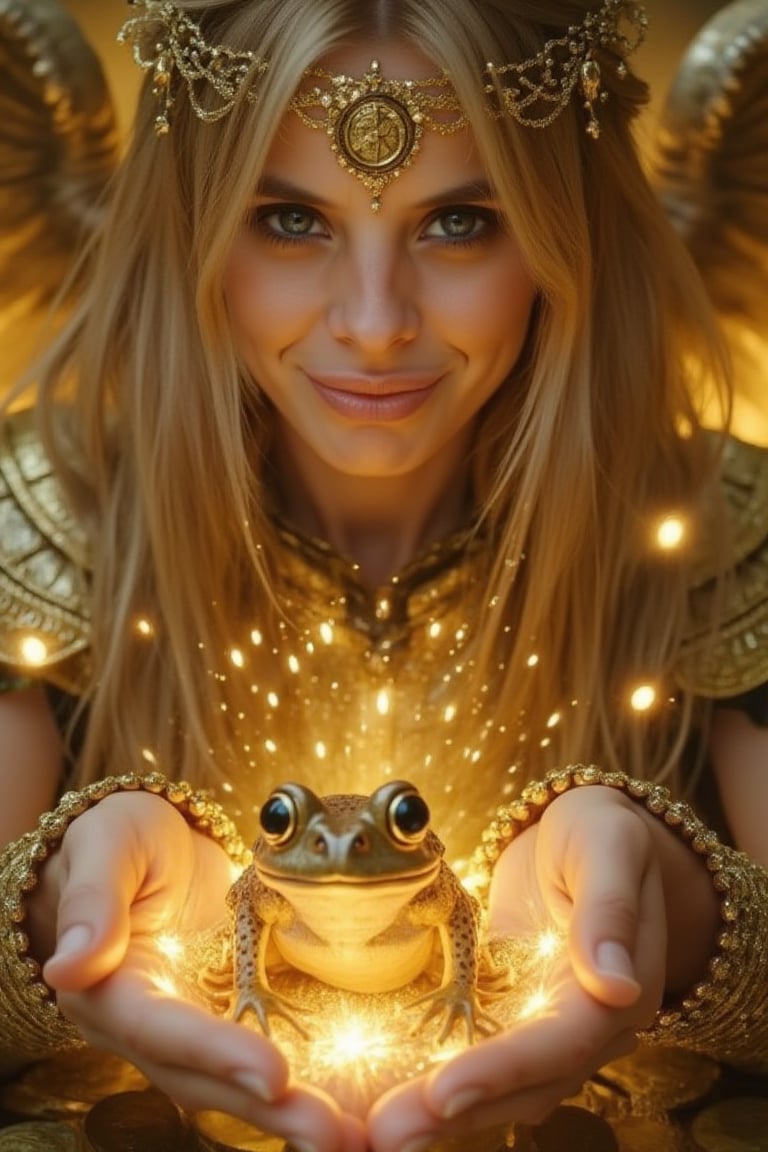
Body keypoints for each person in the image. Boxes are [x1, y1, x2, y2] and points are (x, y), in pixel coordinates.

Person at [1, 1, 767, 1150]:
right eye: (287, 220)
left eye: (459, 221)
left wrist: (697, 913)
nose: (372, 323)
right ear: (190, 226)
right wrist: (52, 914)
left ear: (567, 230)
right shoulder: (46, 521)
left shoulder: (712, 531)